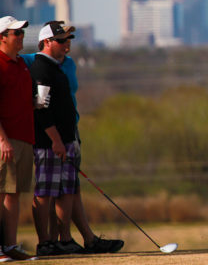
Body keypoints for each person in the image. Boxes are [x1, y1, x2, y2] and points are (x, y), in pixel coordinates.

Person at [23, 22, 123, 256]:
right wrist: (56, 140)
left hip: (68, 140)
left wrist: (68, 139)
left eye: (68, 40)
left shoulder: (58, 67)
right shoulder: (41, 69)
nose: (67, 45)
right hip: (50, 143)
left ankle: (66, 238)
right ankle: (46, 242)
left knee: (67, 190)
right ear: (47, 42)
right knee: (46, 192)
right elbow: (41, 109)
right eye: (61, 41)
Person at [0, 16, 38, 261]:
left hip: (24, 137)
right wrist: (2, 140)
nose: (21, 36)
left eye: (22, 32)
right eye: (16, 33)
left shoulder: (22, 64)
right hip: (5, 140)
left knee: (14, 194)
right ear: (2, 37)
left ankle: (10, 246)